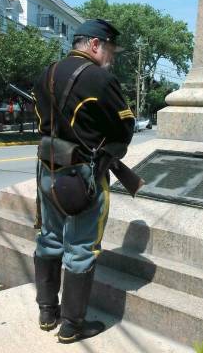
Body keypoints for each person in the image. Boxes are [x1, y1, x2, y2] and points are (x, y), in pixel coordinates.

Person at [33, 19, 135, 343]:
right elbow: (125, 129)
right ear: (94, 44)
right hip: (82, 177)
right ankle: (72, 326)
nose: (112, 58)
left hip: (47, 170)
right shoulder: (101, 79)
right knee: (81, 249)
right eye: (109, 50)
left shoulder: (46, 72)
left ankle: (48, 312)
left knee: (48, 238)